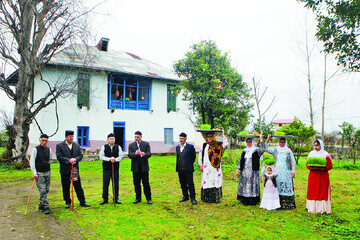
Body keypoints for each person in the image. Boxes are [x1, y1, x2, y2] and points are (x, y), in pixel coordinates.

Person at [56, 130, 90, 208]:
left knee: (78, 185)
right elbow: (59, 157)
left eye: (72, 137)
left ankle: (82, 201)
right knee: (66, 186)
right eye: (70, 137)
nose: (71, 138)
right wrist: (68, 160)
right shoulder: (59, 146)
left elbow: (80, 155)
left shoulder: (76, 145)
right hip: (65, 170)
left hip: (74, 170)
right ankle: (67, 202)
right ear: (66, 137)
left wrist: (75, 159)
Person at [265, 135, 296, 209]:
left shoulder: (288, 151)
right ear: (278, 142)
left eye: (283, 142)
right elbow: (265, 149)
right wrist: (267, 139)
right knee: (277, 186)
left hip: (286, 172)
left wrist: (293, 171)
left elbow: (292, 161)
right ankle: (276, 204)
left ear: (285, 143)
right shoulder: (276, 150)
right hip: (277, 171)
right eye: (280, 142)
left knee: (285, 185)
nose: (282, 143)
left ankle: (286, 204)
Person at [198, 130, 228, 203]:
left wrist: (223, 135)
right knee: (207, 181)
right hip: (206, 167)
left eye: (211, 136)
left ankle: (215, 198)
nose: (209, 138)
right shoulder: (204, 145)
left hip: (215, 168)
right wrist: (200, 164)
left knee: (215, 181)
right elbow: (200, 155)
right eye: (208, 136)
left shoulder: (218, 145)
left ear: (213, 137)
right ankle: (207, 198)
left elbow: (226, 144)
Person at [236, 136, 266, 205]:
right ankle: (244, 198)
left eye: (250, 141)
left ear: (252, 142)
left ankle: (252, 200)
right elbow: (240, 160)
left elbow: (263, 149)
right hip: (244, 171)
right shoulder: (244, 151)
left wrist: (261, 138)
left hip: (253, 171)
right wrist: (238, 169)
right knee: (245, 185)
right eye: (247, 141)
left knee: (252, 185)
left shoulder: (256, 150)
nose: (248, 143)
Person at [306, 139, 333, 214]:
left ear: (321, 146)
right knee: (313, 190)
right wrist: (312, 167)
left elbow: (330, 166)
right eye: (314, 145)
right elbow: (307, 164)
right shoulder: (311, 154)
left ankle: (322, 208)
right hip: (313, 175)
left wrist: (322, 168)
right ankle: (312, 207)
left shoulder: (325, 154)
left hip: (322, 175)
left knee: (321, 189)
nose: (316, 147)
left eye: (317, 145)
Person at [29, 134, 52, 214]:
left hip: (47, 172)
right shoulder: (35, 149)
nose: (44, 142)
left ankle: (41, 204)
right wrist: (34, 173)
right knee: (42, 190)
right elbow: (32, 162)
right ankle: (46, 206)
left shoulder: (49, 149)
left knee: (46, 189)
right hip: (39, 173)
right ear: (40, 140)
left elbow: (50, 160)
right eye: (43, 140)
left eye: (46, 140)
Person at [128, 131, 152, 204]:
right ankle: (138, 198)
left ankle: (149, 198)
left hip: (144, 168)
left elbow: (149, 154)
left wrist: (144, 154)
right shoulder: (131, 145)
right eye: (135, 137)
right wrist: (135, 153)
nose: (136, 138)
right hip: (135, 168)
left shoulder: (146, 144)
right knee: (136, 184)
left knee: (146, 183)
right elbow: (130, 155)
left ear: (141, 137)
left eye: (138, 137)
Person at [99, 133, 123, 205]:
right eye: (110, 139)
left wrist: (115, 159)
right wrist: (109, 159)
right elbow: (101, 156)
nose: (112, 140)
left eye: (113, 139)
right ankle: (105, 198)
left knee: (115, 183)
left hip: (115, 168)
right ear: (107, 140)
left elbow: (121, 157)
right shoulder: (104, 147)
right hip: (106, 168)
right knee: (105, 183)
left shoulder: (118, 147)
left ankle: (116, 198)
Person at [176, 132, 197, 205]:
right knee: (182, 184)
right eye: (180, 138)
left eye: (182, 138)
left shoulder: (190, 147)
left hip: (188, 169)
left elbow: (193, 157)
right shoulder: (178, 147)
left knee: (190, 184)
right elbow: (178, 157)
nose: (180, 140)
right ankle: (185, 196)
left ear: (185, 139)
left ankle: (193, 198)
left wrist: (189, 164)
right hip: (180, 169)